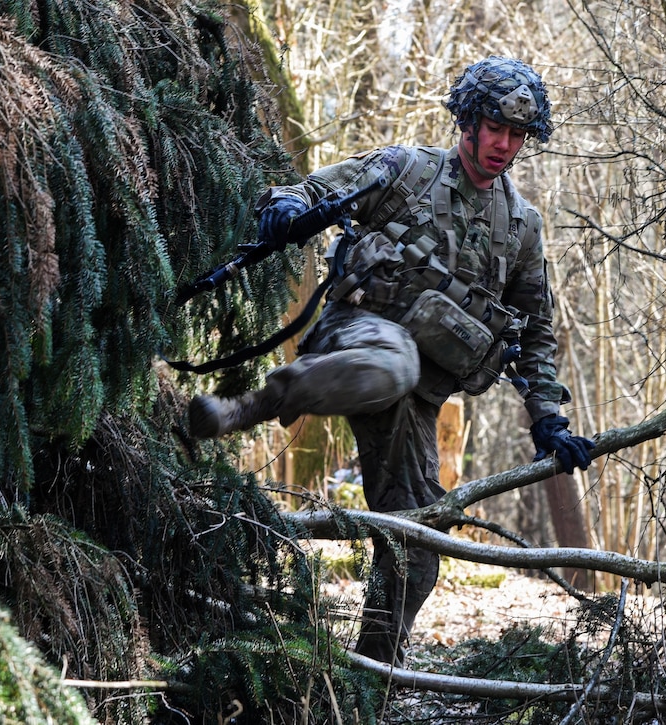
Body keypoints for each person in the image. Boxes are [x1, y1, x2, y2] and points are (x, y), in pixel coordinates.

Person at [188, 56, 595, 666]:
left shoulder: (522, 228)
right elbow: (317, 186)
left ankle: (370, 679)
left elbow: (536, 333)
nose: (504, 144)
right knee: (395, 361)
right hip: (355, 338)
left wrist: (548, 419)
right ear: (468, 119)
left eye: (517, 135)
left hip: (416, 400)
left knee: (416, 550)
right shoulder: (406, 170)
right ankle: (248, 407)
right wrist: (286, 206)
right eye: (495, 127)